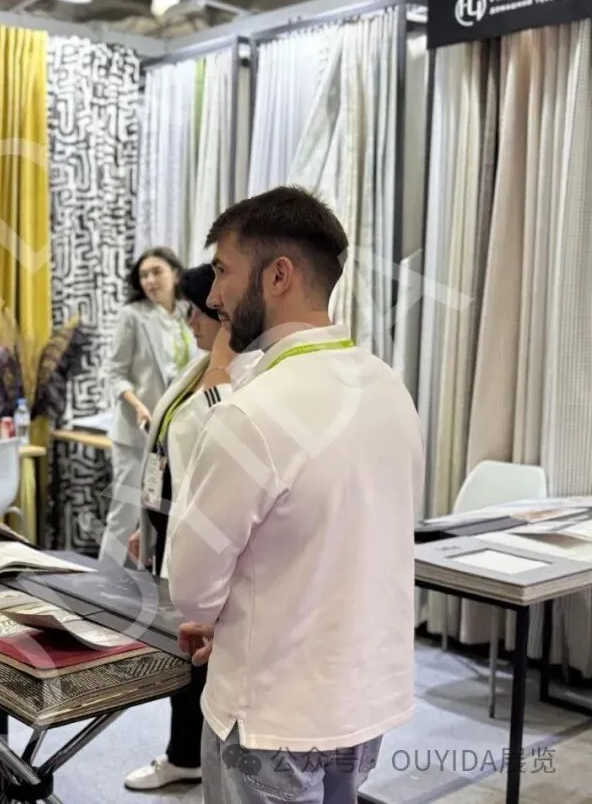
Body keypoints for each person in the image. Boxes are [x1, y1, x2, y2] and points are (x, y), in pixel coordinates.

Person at [167, 186, 424, 804]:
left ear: (278, 275)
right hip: (361, 701)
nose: (213, 295)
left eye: (223, 270)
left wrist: (221, 619)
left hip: (269, 715)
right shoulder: (389, 387)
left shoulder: (250, 413)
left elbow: (191, 589)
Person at [122, 264, 261, 792]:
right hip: (171, 533)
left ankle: (194, 757)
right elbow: (169, 456)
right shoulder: (199, 370)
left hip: (205, 542)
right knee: (183, 652)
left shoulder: (239, 385)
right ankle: (185, 753)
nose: (190, 322)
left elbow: (214, 479)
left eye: (198, 312)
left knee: (200, 656)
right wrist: (149, 525)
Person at [100, 247, 197, 566]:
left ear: (176, 275)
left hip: (171, 435)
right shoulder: (133, 316)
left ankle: (146, 585)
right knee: (124, 516)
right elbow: (115, 373)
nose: (150, 280)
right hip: (136, 433)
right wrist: (139, 407)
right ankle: (102, 583)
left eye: (157, 272)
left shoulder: (187, 314)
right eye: (144, 275)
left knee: (158, 515)